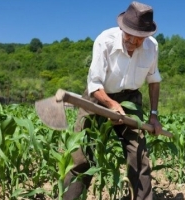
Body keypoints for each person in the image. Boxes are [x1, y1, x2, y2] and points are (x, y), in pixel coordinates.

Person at [63, 1, 162, 199]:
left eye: (139, 39)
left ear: (147, 35)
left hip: (131, 99)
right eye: (129, 36)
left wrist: (153, 114)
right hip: (99, 97)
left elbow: (154, 81)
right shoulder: (104, 41)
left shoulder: (152, 47)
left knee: (139, 155)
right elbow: (94, 84)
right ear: (122, 28)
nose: (133, 42)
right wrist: (111, 104)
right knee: (83, 155)